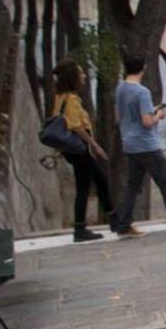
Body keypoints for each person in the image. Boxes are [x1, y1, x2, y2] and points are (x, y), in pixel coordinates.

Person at [110, 54, 166, 237]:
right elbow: (147, 122)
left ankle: (123, 225)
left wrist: (149, 111)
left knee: (132, 186)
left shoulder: (120, 88)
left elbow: (119, 117)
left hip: (129, 144)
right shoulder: (142, 92)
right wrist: (159, 115)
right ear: (143, 68)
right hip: (147, 145)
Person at [51, 61, 113, 242]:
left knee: (98, 180)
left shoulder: (61, 97)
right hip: (79, 149)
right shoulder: (70, 100)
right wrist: (95, 145)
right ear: (73, 78)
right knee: (87, 186)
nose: (84, 76)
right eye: (81, 74)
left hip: (74, 150)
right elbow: (76, 126)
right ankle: (82, 228)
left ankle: (113, 218)